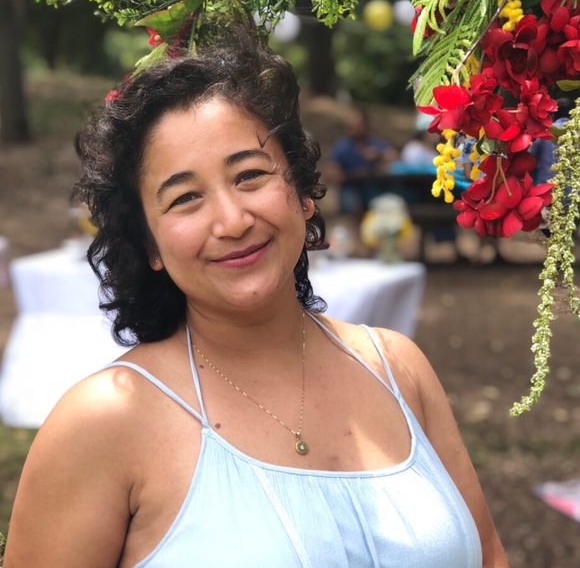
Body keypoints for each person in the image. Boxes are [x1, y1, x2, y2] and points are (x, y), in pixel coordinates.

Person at [4, 34, 508, 567]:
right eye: (185, 198)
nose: (232, 221)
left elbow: (489, 557)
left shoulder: (398, 368)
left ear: (303, 194)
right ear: (149, 245)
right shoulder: (102, 421)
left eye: (250, 175)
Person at [324, 107, 398, 219]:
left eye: (358, 125)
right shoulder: (342, 147)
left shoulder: (374, 144)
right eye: (353, 125)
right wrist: (351, 174)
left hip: (373, 186)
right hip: (351, 187)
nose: (355, 128)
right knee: (352, 202)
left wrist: (378, 155)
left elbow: (394, 157)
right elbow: (330, 173)